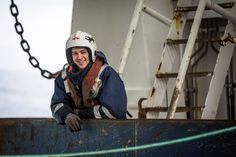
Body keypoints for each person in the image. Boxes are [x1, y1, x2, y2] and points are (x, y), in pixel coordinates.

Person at [51, 30, 127, 132]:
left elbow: (114, 111)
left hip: (114, 132)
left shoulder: (107, 74)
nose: (79, 57)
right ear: (70, 56)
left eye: (83, 52)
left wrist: (78, 113)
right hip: (80, 134)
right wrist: (67, 115)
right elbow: (57, 104)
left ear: (91, 53)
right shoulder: (63, 78)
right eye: (75, 53)